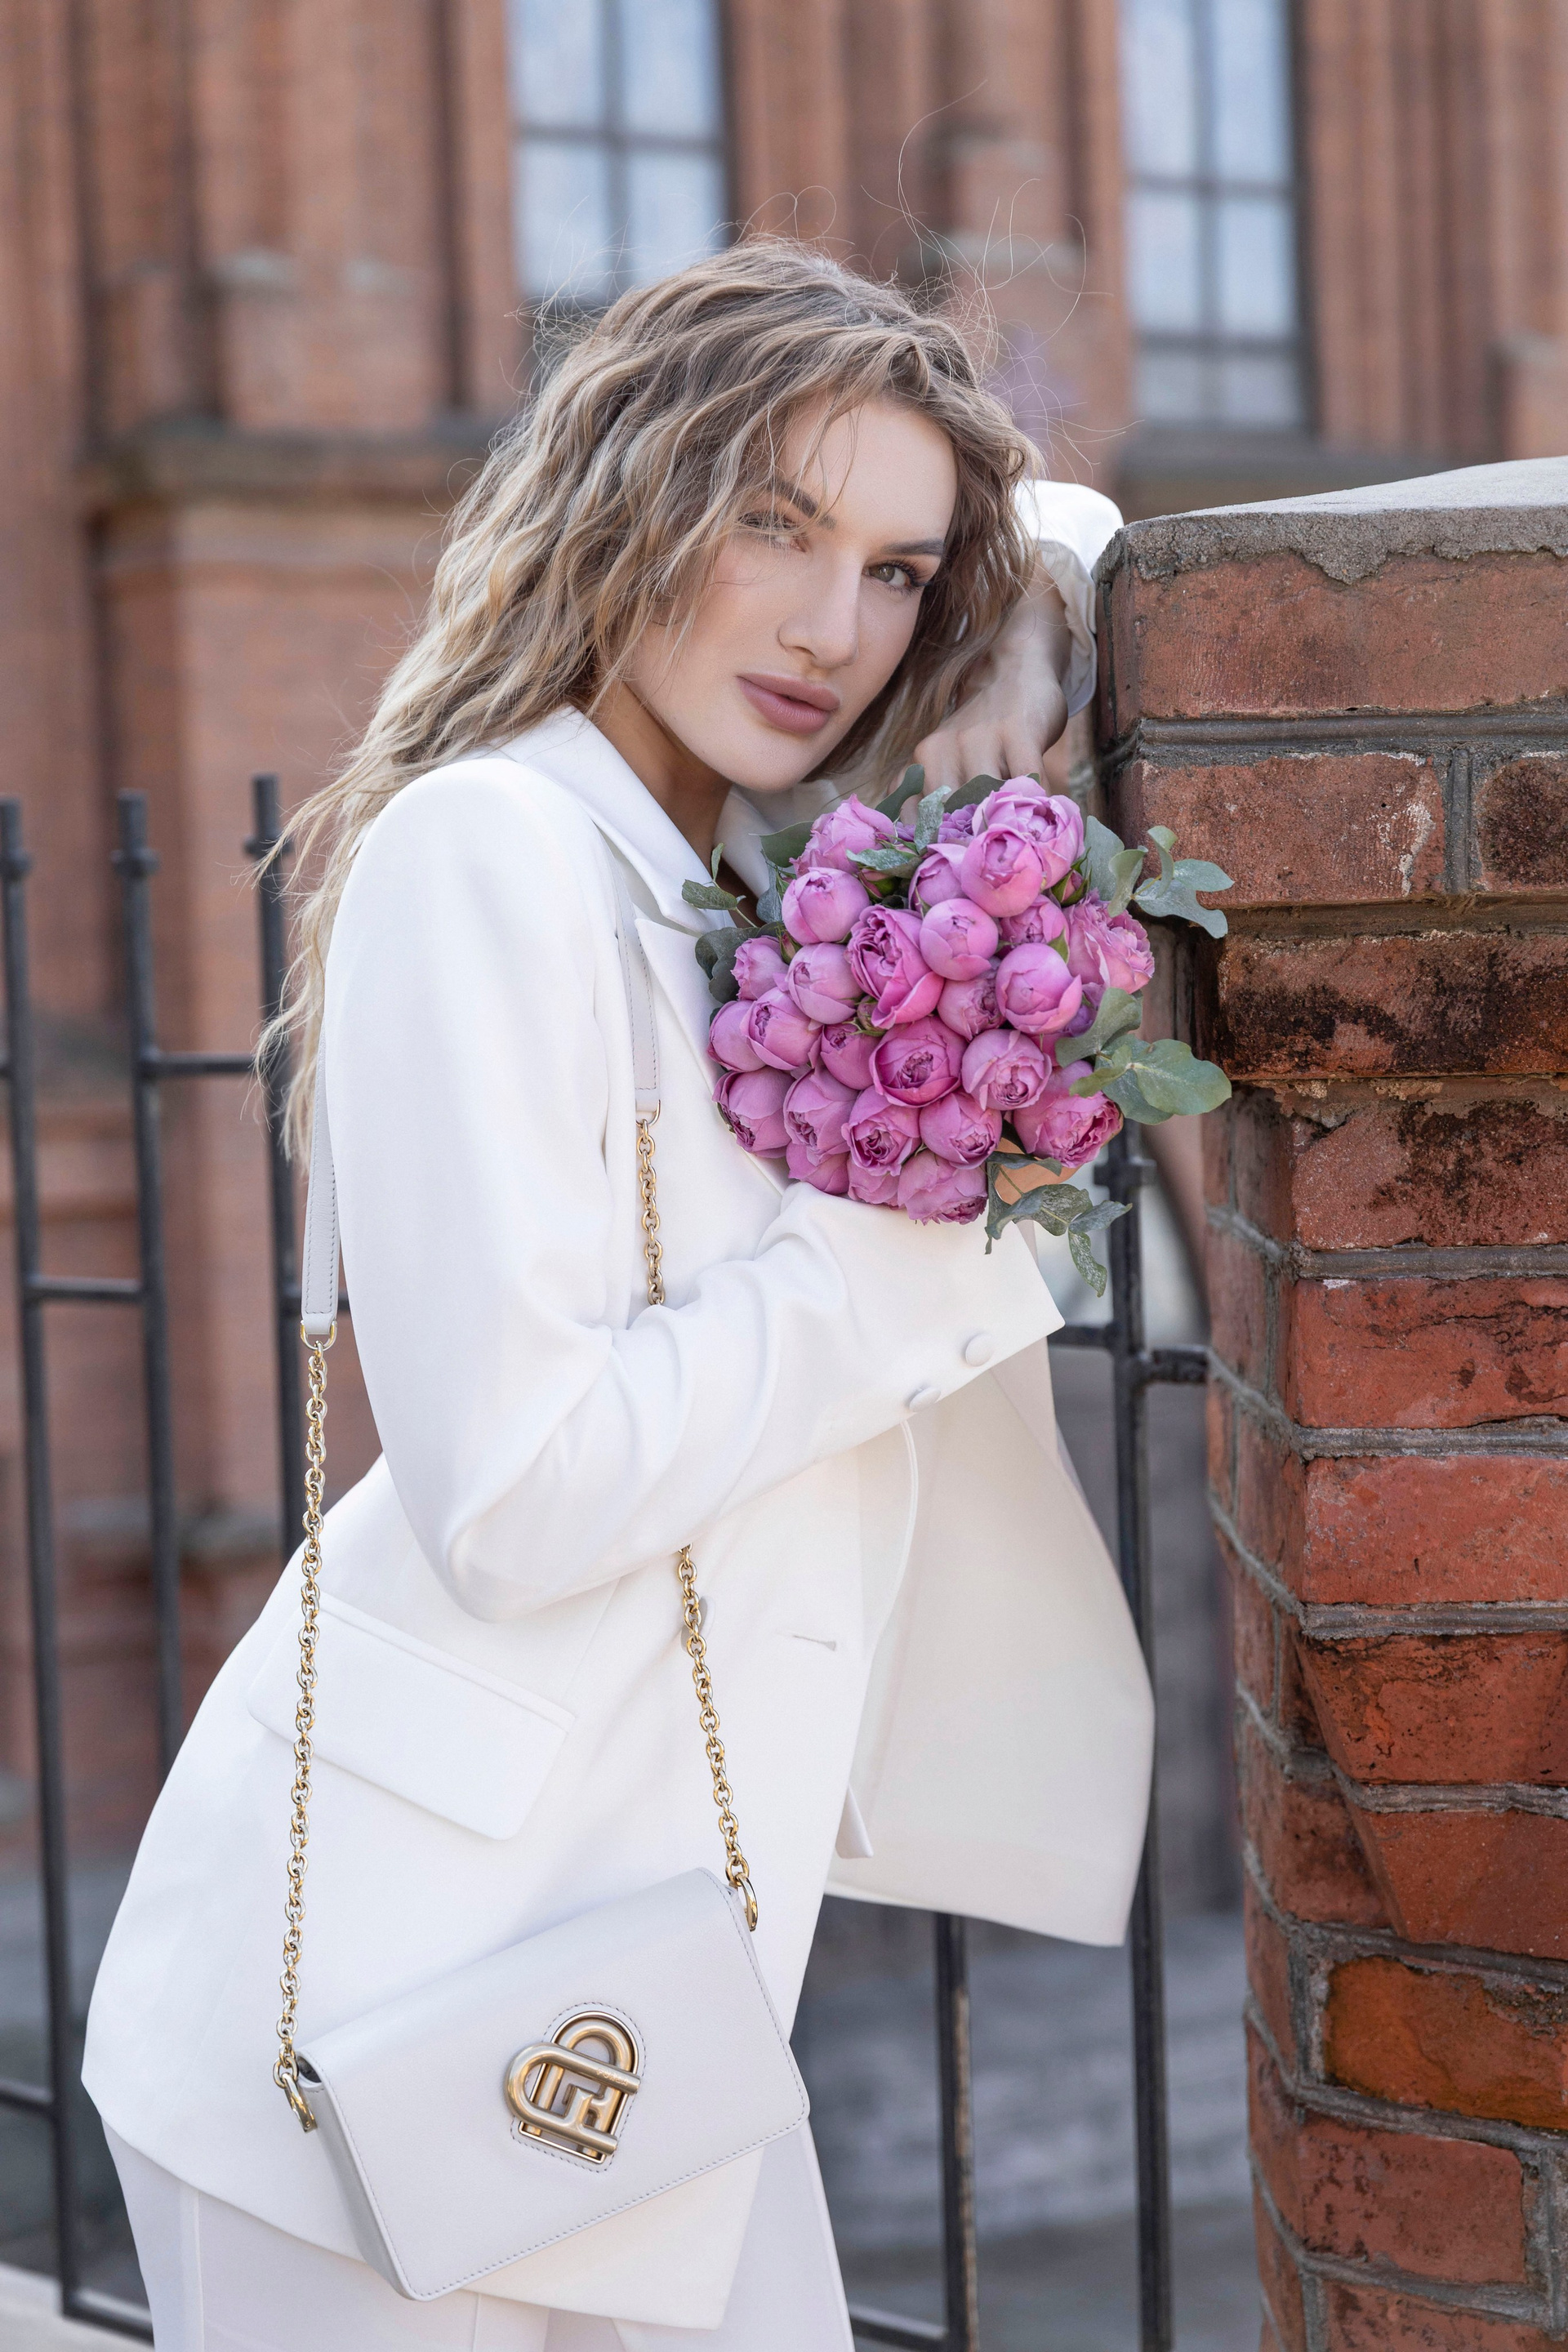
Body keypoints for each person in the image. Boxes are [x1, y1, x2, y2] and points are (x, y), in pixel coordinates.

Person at [83, 239, 1153, 2350]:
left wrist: (1023, 621)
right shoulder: (491, 849)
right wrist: (918, 1245)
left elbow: (1081, 520)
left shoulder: (730, 875)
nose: (834, 628)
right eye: (773, 524)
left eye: (895, 572)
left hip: (636, 1987)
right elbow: (517, 1495)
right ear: (630, 497)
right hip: (374, 2021)